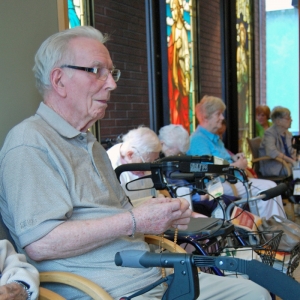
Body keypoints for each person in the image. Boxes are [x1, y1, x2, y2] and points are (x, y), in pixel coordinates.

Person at [0, 26, 271, 300]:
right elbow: (41, 243)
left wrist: (160, 215)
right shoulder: (30, 143)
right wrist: (135, 220)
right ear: (59, 80)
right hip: (108, 291)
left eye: (111, 72)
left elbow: (111, 216)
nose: (112, 84)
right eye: (97, 71)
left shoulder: (89, 144)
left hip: (149, 274)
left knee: (255, 293)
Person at [187, 95, 286, 220]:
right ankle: (269, 229)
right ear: (206, 117)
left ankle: (277, 226)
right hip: (214, 186)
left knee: (271, 186)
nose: (222, 118)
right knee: (266, 188)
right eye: (219, 114)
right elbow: (207, 169)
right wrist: (236, 165)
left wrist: (234, 158)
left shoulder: (214, 138)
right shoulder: (198, 140)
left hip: (229, 180)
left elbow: (220, 159)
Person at [107, 126, 161, 205]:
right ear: (130, 155)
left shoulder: (139, 156)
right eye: (146, 163)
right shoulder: (110, 167)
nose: (149, 168)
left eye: (154, 160)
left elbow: (155, 191)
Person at [168, 0, 190, 132]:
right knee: (175, 103)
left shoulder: (180, 29)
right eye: (173, 10)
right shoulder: (174, 29)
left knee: (181, 104)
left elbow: (185, 54)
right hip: (175, 72)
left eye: (176, 9)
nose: (175, 13)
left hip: (180, 72)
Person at [258, 106, 296, 177]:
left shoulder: (288, 133)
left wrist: (295, 157)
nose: (291, 120)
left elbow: (292, 151)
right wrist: (292, 161)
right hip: (274, 167)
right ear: (278, 121)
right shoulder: (269, 133)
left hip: (287, 164)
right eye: (288, 118)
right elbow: (272, 152)